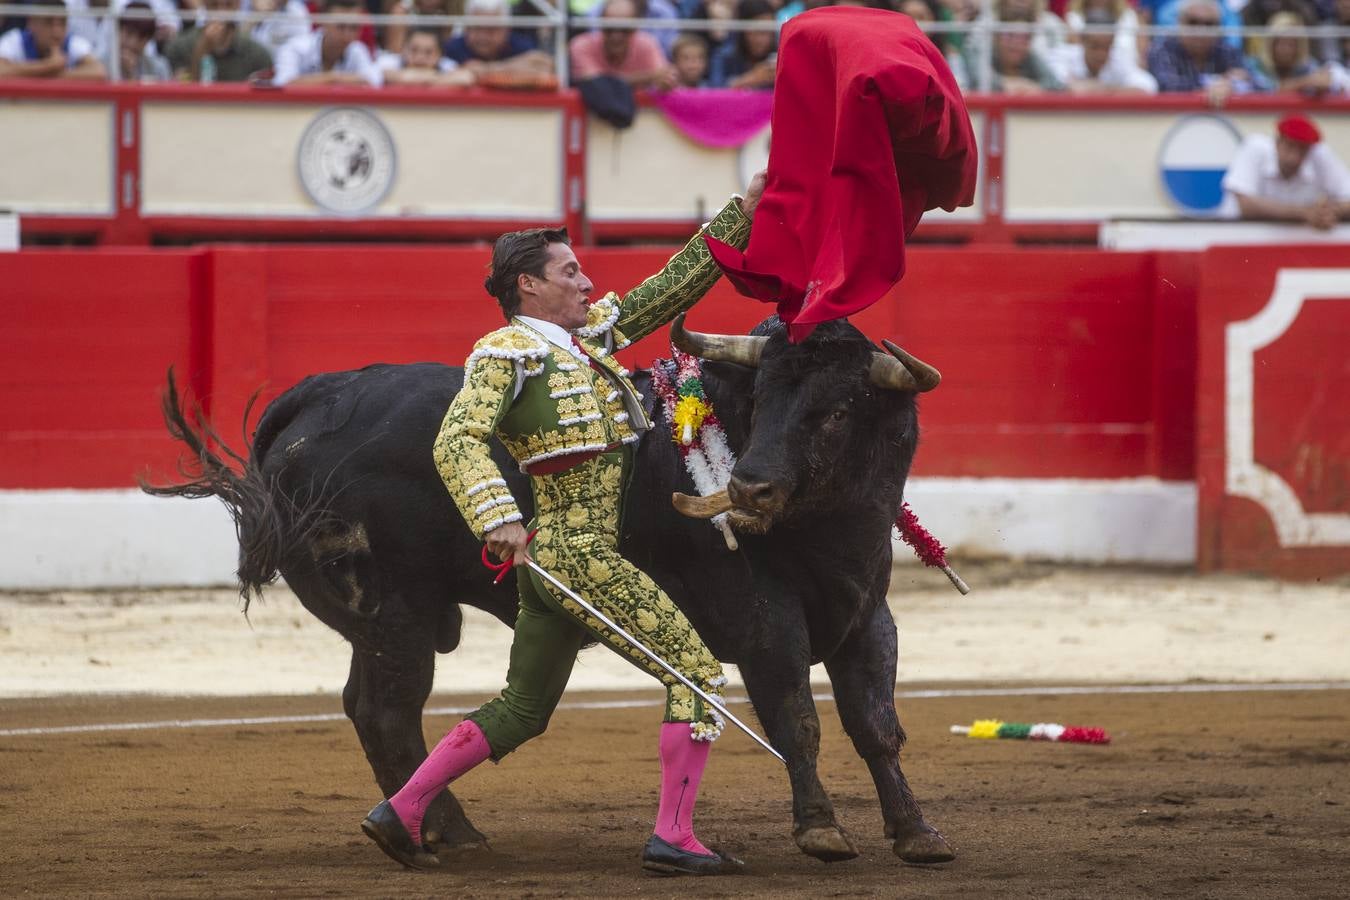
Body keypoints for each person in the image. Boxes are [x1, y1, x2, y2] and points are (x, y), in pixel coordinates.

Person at [359, 172, 766, 877]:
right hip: (573, 553)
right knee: (696, 674)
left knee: (523, 707)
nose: (586, 282)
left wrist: (743, 215)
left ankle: (401, 809)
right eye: (569, 271)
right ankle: (674, 836)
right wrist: (498, 518)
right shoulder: (505, 352)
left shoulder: (588, 340)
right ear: (529, 287)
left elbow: (668, 288)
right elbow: (456, 440)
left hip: (560, 558)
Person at [1222, 113, 1350, 229]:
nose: (1294, 156)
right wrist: (1305, 213)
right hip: (1237, 236)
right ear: (1277, 142)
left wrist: (1328, 212)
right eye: (1290, 146)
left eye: (1302, 149)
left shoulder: (1320, 154)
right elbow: (1246, 206)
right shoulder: (1255, 147)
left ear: (1310, 149)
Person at [1146, 0, 1254, 101]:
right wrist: (1217, 84)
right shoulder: (1162, 48)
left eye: (1209, 24)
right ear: (1179, 22)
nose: (1201, 29)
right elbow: (1166, 86)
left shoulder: (1227, 50)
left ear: (1219, 27)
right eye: (1193, 22)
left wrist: (1234, 84)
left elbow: (1261, 86)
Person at [273, 0, 383, 85]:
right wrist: (332, 78)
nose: (347, 34)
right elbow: (283, 84)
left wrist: (332, 78)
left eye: (354, 27)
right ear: (323, 23)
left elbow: (373, 80)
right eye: (341, 26)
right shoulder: (294, 48)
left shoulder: (357, 49)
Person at [569, 0, 675, 88]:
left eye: (625, 29)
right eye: (609, 28)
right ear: (599, 25)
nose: (616, 36)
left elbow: (663, 78)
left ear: (636, 27)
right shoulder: (581, 45)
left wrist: (665, 83)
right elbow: (598, 86)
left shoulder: (648, 43)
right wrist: (649, 77)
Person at [165, 0, 273, 82]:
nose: (221, 13)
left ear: (238, 4)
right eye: (214, 5)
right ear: (204, 4)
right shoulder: (179, 47)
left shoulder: (257, 54)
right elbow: (183, 93)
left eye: (228, 5)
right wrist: (202, 49)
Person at [443, 0, 554, 77]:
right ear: (466, 28)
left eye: (491, 29)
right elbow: (467, 71)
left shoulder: (520, 44)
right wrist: (515, 67)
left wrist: (487, 69)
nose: (483, 36)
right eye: (477, 28)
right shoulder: (454, 46)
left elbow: (544, 64)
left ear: (507, 29)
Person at [0, 0, 107, 79]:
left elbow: (99, 72)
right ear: (31, 22)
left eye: (62, 23)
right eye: (48, 23)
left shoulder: (74, 43)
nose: (57, 32)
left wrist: (48, 74)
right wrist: (48, 66)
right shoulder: (14, 40)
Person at [1248, 10, 1349, 93]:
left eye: (1291, 44)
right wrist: (1306, 82)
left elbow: (1326, 83)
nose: (1286, 49)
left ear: (1299, 46)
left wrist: (1324, 86)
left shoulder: (1306, 65)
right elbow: (1272, 91)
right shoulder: (1256, 65)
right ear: (1271, 44)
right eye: (1281, 43)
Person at [1063, 7, 1158, 92]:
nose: (1100, 54)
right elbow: (1057, 87)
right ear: (1082, 41)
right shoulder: (1064, 56)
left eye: (1106, 47)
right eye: (1095, 46)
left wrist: (1103, 90)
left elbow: (1149, 85)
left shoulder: (1118, 59)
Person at [708, 0, 777, 88]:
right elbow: (713, 91)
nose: (763, 39)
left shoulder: (780, 59)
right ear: (742, 30)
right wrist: (752, 79)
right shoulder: (723, 56)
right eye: (758, 31)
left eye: (769, 32)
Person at [378, 24, 477, 83]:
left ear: (440, 55)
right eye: (414, 50)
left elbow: (466, 78)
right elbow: (384, 75)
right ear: (403, 50)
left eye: (428, 52)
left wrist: (413, 79)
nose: (420, 57)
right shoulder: (388, 62)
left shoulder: (446, 64)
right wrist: (438, 79)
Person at [102, 0, 171, 79]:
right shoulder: (100, 66)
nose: (132, 43)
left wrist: (131, 74)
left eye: (141, 37)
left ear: (148, 40)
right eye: (129, 33)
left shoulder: (159, 68)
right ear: (119, 30)